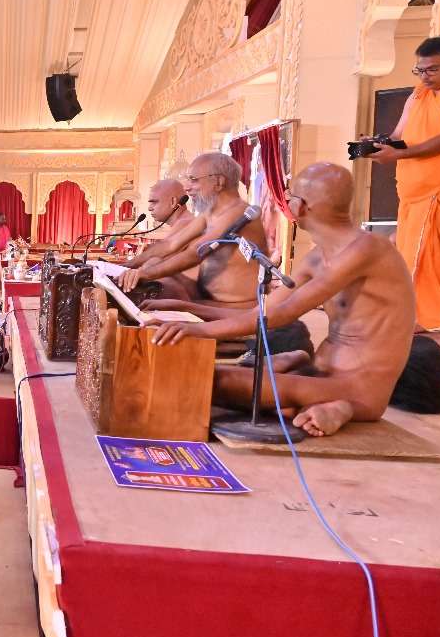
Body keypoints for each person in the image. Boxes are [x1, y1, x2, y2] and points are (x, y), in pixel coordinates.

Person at [152, 163, 415, 437]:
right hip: (319, 373)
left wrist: (199, 330)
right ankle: (310, 399)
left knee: (208, 379)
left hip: (358, 387)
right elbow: (263, 310)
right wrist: (184, 308)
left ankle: (342, 406)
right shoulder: (317, 257)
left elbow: (281, 315)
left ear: (300, 206)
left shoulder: (366, 249)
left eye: (290, 197)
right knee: (213, 374)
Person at [369, 36, 440, 344]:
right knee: (412, 253)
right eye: (420, 70)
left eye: (433, 69)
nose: (425, 76)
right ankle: (418, 316)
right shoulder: (418, 94)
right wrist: (378, 145)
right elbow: (399, 135)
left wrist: (399, 154)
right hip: (415, 185)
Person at [116, 152, 267, 309]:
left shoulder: (238, 212)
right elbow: (170, 244)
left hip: (234, 307)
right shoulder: (210, 213)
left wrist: (145, 274)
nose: (187, 188)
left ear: (218, 182)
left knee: (154, 284)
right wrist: (128, 266)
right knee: (154, 267)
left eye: (193, 180)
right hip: (204, 298)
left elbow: (195, 253)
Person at [123, 178, 192, 270]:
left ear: (173, 202)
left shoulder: (186, 223)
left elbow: (161, 255)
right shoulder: (182, 223)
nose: (149, 208)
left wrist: (125, 267)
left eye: (154, 202)